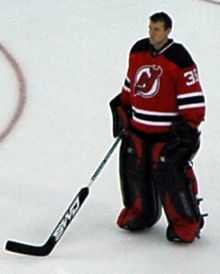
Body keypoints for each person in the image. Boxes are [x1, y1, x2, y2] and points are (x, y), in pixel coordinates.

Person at [110, 12, 207, 243]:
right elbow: (131, 85)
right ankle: (140, 212)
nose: (152, 33)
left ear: (167, 31)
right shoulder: (138, 52)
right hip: (138, 129)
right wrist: (122, 108)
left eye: (157, 29)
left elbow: (193, 102)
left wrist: (188, 129)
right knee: (133, 167)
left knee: (169, 173)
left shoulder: (179, 59)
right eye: (150, 28)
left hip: (167, 136)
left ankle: (186, 223)